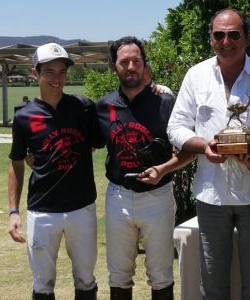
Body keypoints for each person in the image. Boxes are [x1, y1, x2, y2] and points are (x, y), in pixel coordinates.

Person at [167, 8, 250, 300]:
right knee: (212, 282)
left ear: (246, 37)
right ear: (211, 39)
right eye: (219, 35)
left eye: (234, 34)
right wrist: (203, 146)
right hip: (212, 194)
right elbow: (176, 126)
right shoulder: (196, 76)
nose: (226, 41)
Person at [96, 36, 195, 300]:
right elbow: (86, 143)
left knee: (161, 274)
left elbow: (188, 149)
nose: (130, 67)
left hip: (158, 198)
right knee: (118, 275)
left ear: (144, 65)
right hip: (118, 198)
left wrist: (163, 168)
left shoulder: (165, 103)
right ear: (114, 66)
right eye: (124, 61)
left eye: (136, 61)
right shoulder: (104, 107)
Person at [7, 42, 102, 300]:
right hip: (42, 211)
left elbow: (96, 142)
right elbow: (16, 162)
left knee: (85, 279)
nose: (57, 78)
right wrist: (14, 212)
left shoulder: (83, 107)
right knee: (42, 283)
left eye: (62, 71)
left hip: (81, 207)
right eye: (49, 71)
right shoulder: (24, 116)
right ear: (35, 74)